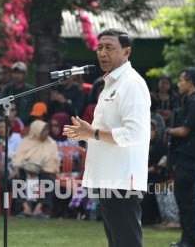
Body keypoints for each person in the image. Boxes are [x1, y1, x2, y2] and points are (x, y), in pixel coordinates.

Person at [63, 29, 151, 247]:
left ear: (127, 52)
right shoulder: (109, 85)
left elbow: (134, 133)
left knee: (126, 242)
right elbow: (107, 130)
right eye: (100, 47)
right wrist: (86, 135)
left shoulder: (132, 83)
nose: (102, 53)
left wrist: (91, 133)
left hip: (122, 178)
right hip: (108, 176)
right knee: (116, 242)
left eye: (110, 47)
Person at [166, 68, 195, 247]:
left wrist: (168, 130)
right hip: (187, 155)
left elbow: (185, 130)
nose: (179, 83)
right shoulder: (189, 101)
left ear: (190, 82)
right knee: (184, 199)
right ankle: (187, 239)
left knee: (185, 198)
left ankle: (189, 240)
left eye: (182, 80)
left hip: (189, 156)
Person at [11, 120, 59, 218]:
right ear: (36, 131)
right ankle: (25, 208)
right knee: (16, 180)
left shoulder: (51, 143)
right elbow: (18, 158)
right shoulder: (26, 142)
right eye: (43, 131)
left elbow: (54, 161)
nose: (46, 133)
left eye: (47, 130)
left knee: (50, 181)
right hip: (25, 169)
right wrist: (17, 168)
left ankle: (39, 208)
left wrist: (41, 168)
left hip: (43, 170)